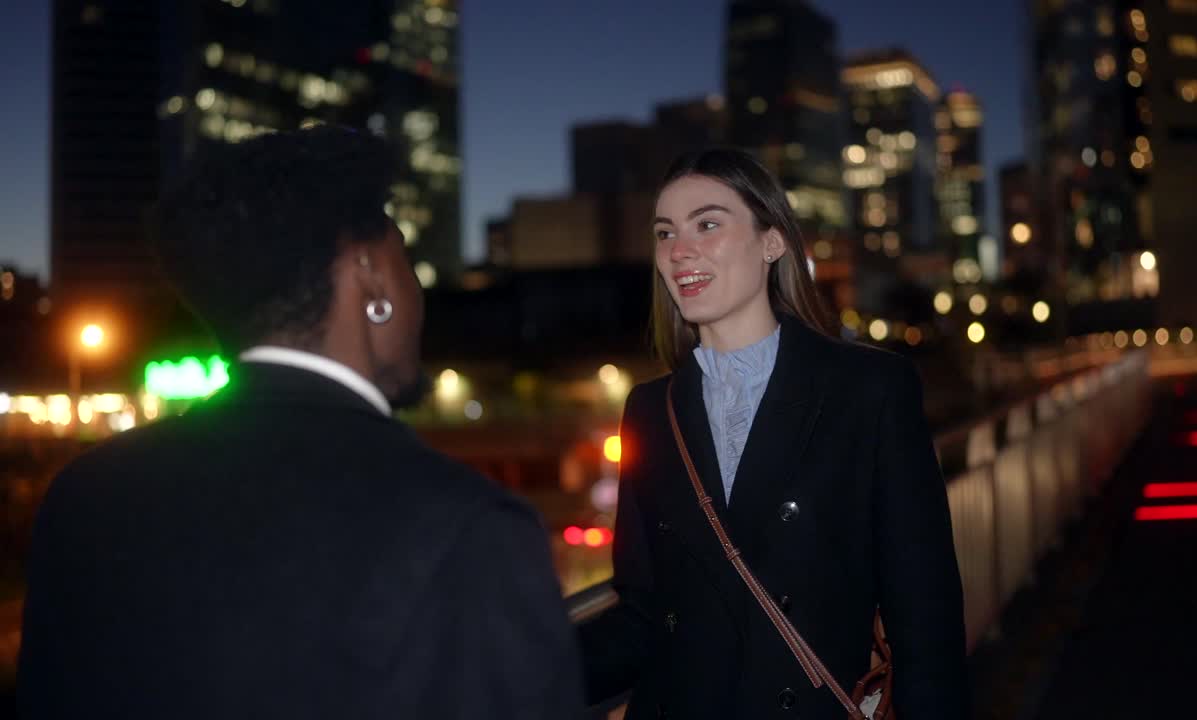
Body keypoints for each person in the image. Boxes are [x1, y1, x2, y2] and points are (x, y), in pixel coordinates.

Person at [18, 127, 582, 719]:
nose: (418, 293)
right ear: (373, 279)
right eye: (408, 264)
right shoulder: (469, 526)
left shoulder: (85, 496)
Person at [578, 148, 970, 718]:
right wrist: (513, 665)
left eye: (707, 224)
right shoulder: (650, 409)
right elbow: (644, 611)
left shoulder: (869, 389)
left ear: (772, 241)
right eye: (665, 233)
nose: (678, 250)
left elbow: (925, 613)